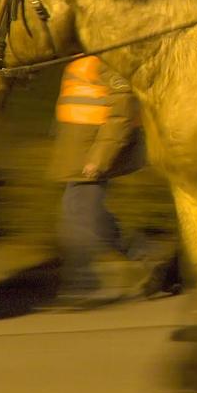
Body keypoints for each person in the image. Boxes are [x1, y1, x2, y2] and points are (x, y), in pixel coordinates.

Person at [47, 56, 165, 308]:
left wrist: (99, 159)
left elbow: (121, 110)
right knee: (81, 214)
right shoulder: (78, 59)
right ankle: (148, 257)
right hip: (78, 151)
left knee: (81, 216)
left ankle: (83, 283)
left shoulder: (105, 59)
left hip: (91, 154)